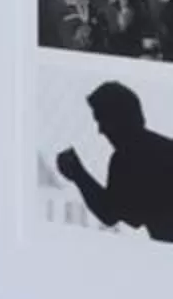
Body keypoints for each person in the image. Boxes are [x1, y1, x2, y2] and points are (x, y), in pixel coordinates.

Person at [57, 80, 173, 242]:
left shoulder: (125, 161)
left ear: (120, 119)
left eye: (103, 120)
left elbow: (109, 213)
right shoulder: (160, 149)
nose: (101, 130)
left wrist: (78, 173)